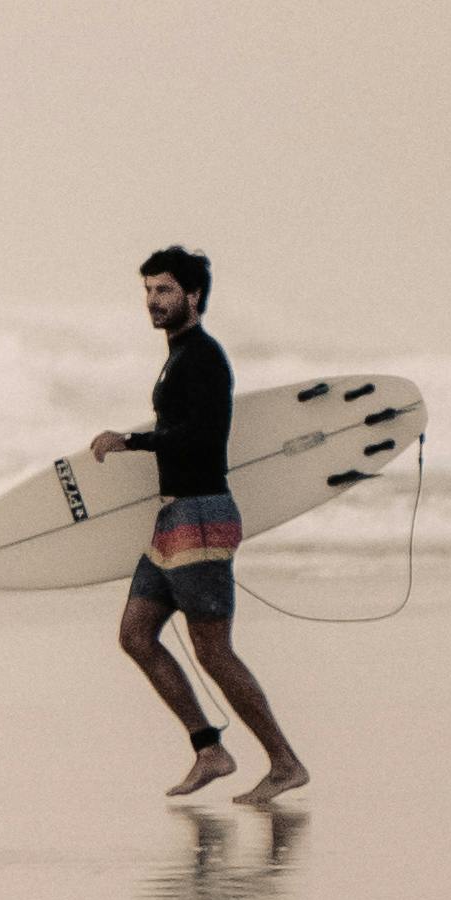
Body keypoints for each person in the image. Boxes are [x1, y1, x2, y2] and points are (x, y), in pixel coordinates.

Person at [89, 244, 309, 801]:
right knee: (136, 636)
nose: (153, 301)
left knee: (213, 650)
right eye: (148, 291)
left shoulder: (204, 357)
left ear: (194, 296)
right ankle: (209, 747)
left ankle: (284, 762)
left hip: (202, 516)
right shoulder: (178, 356)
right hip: (173, 519)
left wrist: (132, 440)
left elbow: (202, 435)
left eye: (164, 290)